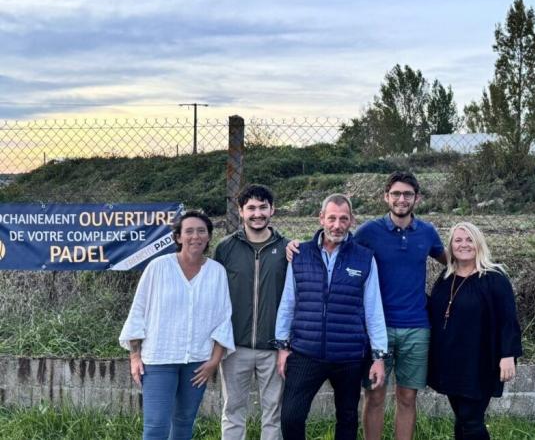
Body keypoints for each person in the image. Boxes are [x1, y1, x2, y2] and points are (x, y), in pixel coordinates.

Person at [274, 194, 389, 440]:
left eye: (343, 219)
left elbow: (373, 310)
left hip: (348, 356)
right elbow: (288, 302)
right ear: (321, 218)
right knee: (291, 417)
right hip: (305, 352)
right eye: (332, 218)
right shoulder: (299, 254)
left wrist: (379, 356)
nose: (337, 225)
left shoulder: (364, 258)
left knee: (347, 419)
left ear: (351, 221)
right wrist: (282, 346)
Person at [119, 210, 235, 440]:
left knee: (184, 424)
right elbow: (138, 313)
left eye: (201, 231)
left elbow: (224, 318)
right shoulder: (158, 267)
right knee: (156, 427)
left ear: (209, 236)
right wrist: (134, 356)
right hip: (159, 359)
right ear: (178, 237)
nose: (195, 236)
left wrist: (214, 361)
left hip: (197, 363)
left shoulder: (216, 272)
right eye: (189, 231)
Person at [355, 171, 446, 440]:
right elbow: (338, 250)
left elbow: (453, 263)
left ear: (416, 198)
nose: (401, 199)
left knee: (407, 398)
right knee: (374, 396)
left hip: (417, 328)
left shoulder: (427, 232)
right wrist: (296, 248)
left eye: (407, 194)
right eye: (396, 193)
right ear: (386, 197)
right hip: (377, 329)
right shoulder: (369, 231)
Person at [427, 222, 522, 440]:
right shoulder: (445, 278)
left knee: (471, 421)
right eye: (458, 240)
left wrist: (508, 355)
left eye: (469, 239)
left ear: (478, 243)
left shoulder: (494, 279)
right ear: (450, 246)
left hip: (480, 363)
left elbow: (508, 320)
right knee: (462, 419)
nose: (464, 245)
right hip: (451, 362)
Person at [215, 184, 289, 440]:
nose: (257, 213)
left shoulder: (288, 249)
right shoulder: (225, 249)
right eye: (251, 208)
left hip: (274, 347)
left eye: (262, 207)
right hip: (235, 346)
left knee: (274, 412)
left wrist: (286, 343)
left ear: (272, 210)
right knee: (233, 409)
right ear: (241, 211)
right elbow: (216, 297)